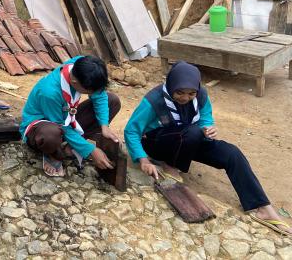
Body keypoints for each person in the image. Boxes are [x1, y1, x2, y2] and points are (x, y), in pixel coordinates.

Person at [124, 61, 291, 236]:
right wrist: (143, 159)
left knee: (232, 153)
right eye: (179, 92)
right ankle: (170, 165)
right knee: (192, 133)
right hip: (157, 143)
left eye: (191, 93)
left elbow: (205, 118)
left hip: (189, 138)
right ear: (171, 85)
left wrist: (208, 128)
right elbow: (131, 130)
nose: (185, 98)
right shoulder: (154, 100)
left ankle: (263, 207)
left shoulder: (201, 95)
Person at [21, 55, 121, 177]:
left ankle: (71, 146)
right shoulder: (49, 92)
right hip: (42, 127)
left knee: (112, 101)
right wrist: (90, 150)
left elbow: (100, 95)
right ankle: (53, 154)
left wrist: (104, 125)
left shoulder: (81, 65)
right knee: (51, 135)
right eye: (90, 91)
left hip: (67, 116)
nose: (93, 94)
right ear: (75, 82)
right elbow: (61, 126)